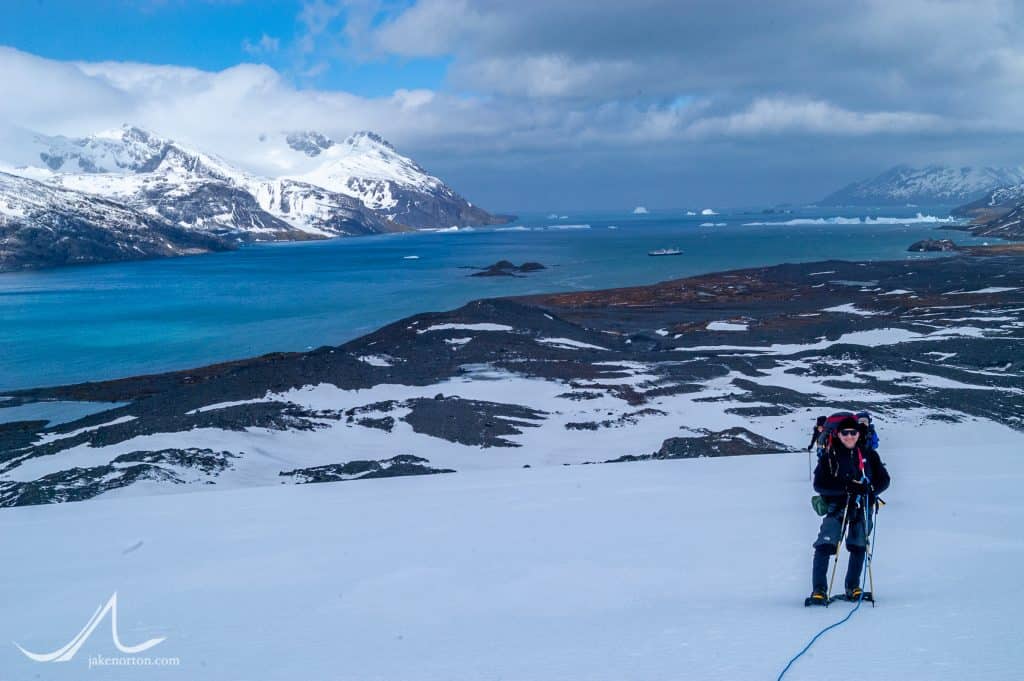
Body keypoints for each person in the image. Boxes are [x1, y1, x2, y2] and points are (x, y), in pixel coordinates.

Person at [807, 415, 890, 605]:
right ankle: (819, 590)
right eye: (845, 433)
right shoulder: (830, 455)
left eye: (853, 432)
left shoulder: (869, 454)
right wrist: (845, 488)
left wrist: (870, 489)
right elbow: (819, 484)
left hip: (862, 506)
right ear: (838, 434)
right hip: (838, 506)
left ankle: (853, 587)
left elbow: (884, 479)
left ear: (859, 433)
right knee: (825, 545)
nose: (849, 436)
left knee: (859, 545)